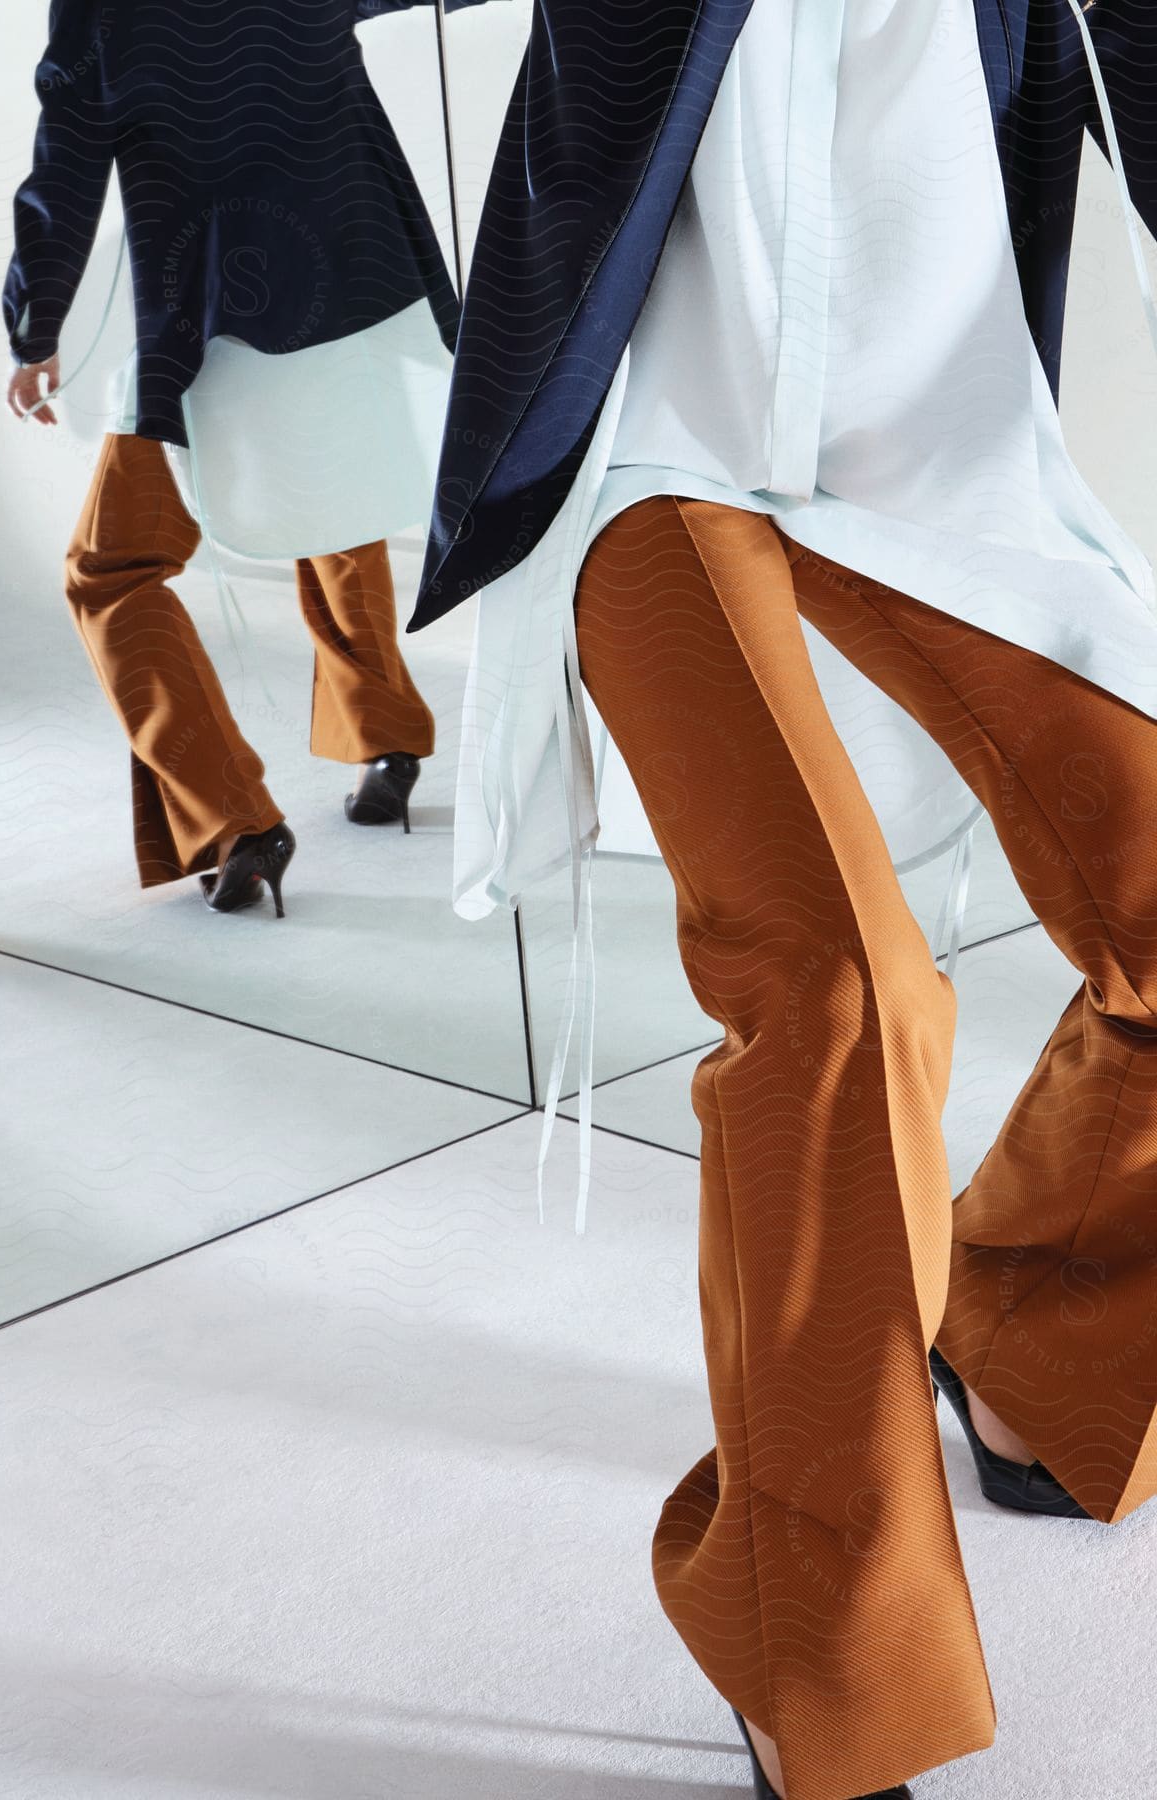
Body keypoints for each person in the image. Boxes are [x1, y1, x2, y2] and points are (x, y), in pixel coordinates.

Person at [404, 2, 1157, 1797]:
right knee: (835, 989)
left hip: (937, 455)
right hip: (645, 456)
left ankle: (1036, 1352)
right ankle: (810, 1628)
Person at [4, 0, 488, 915]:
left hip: (213, 308)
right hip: (362, 283)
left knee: (108, 572)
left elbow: (67, 154)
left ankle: (238, 822)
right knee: (325, 486)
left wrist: (34, 322)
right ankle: (387, 738)